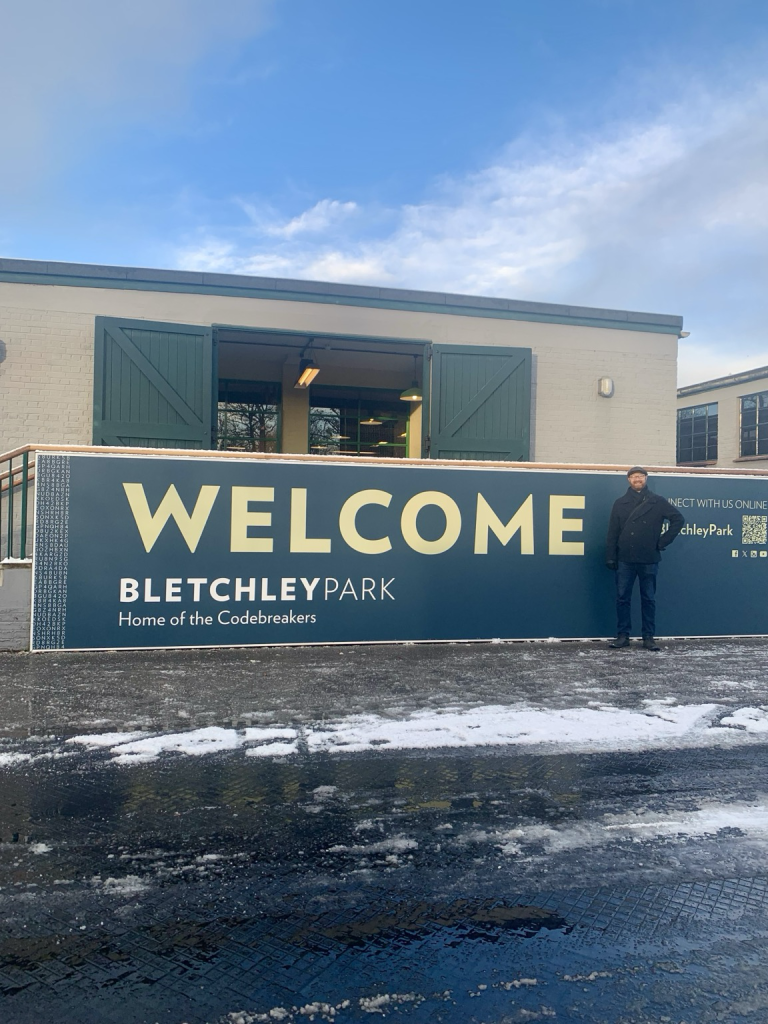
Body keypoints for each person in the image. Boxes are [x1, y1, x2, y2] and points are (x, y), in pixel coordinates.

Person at [605, 467, 684, 651]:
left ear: (646, 478)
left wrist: (661, 542)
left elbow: (678, 520)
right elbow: (612, 532)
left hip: (648, 557)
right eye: (633, 477)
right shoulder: (620, 503)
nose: (637, 479)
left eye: (640, 476)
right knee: (622, 598)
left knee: (648, 598)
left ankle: (648, 637)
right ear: (628, 480)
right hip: (625, 557)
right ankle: (623, 635)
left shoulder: (657, 501)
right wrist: (610, 556)